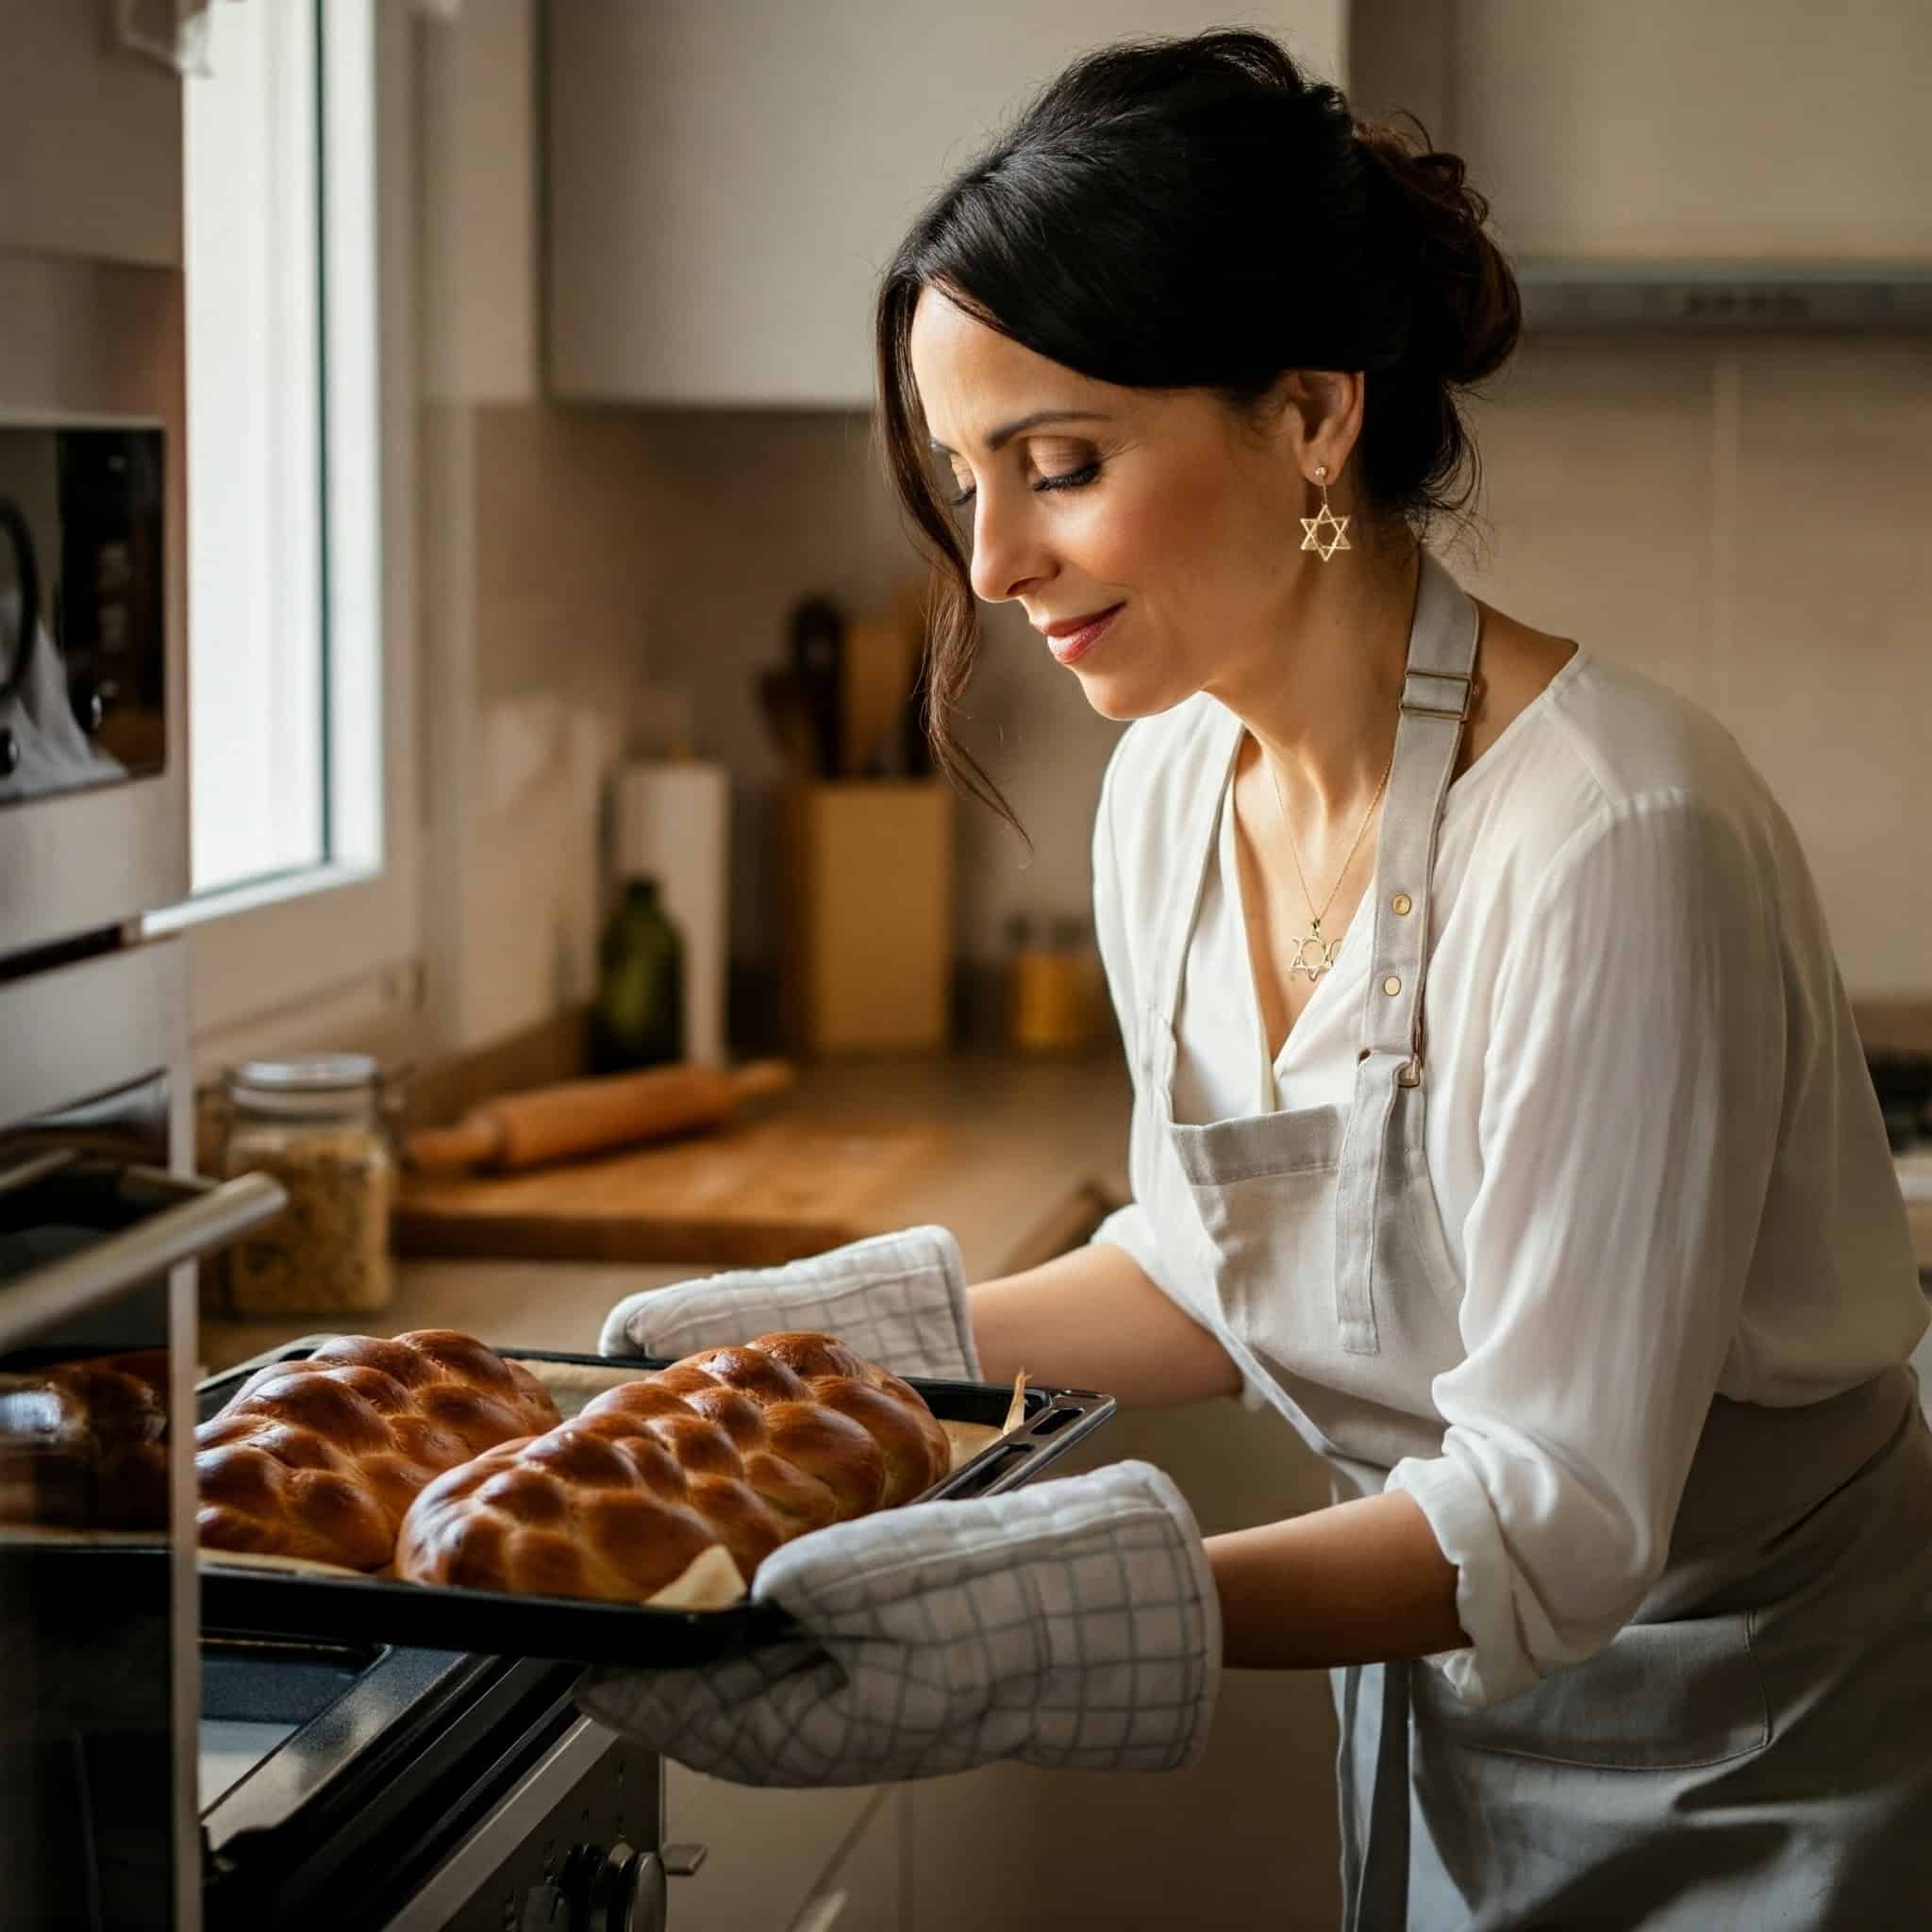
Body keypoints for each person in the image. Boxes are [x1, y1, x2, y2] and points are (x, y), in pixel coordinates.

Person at [580, 30, 1932, 1927]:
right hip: (1457, 1702)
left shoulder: (1604, 836)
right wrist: (866, 1344)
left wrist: (1076, 1614)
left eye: (1057, 466)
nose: (990, 564)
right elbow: (1225, 1263)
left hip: (1764, 1741)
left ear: (1309, 414)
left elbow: (1551, 1511)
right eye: (967, 478)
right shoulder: (1166, 787)